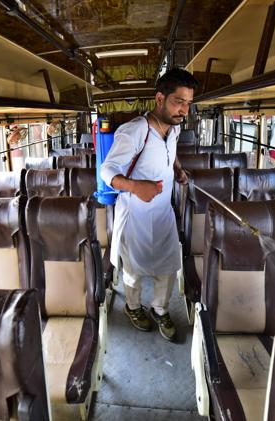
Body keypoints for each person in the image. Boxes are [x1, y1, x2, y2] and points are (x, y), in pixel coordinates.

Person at [100, 68, 197, 341]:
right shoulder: (135, 131)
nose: (184, 110)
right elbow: (106, 171)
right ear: (159, 98)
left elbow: (171, 153)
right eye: (179, 101)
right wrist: (134, 186)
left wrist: (177, 170)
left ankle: (160, 309)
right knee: (133, 270)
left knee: (167, 266)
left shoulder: (174, 128)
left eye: (188, 103)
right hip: (135, 213)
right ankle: (133, 307)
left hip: (163, 211)